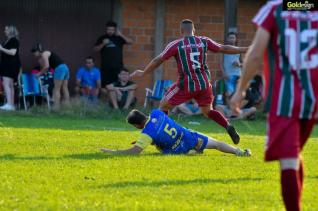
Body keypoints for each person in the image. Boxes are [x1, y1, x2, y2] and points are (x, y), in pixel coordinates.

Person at [230, 1, 318, 210]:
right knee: (294, 153)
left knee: (288, 159)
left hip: (284, 99)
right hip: (313, 96)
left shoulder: (275, 9)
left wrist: (240, 90)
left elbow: (255, 53)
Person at [130, 19, 249, 145]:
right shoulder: (203, 41)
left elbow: (158, 60)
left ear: (181, 31)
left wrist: (143, 72)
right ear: (194, 30)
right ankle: (227, 125)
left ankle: (160, 135)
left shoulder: (176, 44)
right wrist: (246, 49)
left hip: (186, 84)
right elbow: (223, 48)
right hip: (204, 84)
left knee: (163, 105)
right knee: (208, 111)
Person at [101, 109, 251, 156]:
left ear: (136, 125)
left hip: (175, 149)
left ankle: (190, 153)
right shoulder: (156, 113)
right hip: (187, 135)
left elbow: (135, 152)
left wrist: (112, 151)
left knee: (162, 147)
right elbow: (161, 128)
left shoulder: (146, 133)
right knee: (217, 144)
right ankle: (240, 152)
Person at [94, 21, 133, 91]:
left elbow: (130, 42)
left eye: (112, 30)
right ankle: (106, 101)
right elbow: (95, 49)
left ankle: (116, 101)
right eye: (108, 29)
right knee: (105, 86)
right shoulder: (102, 38)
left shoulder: (118, 38)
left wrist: (121, 35)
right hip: (106, 67)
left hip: (118, 67)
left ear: (115, 30)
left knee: (117, 86)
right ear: (106, 29)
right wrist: (103, 44)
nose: (110, 31)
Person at [31, 44, 70, 109]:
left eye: (34, 53)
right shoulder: (48, 53)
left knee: (56, 89)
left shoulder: (44, 54)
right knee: (65, 88)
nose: (34, 55)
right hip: (65, 67)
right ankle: (68, 106)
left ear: (38, 51)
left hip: (59, 69)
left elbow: (46, 67)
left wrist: (39, 74)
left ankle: (56, 107)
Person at [0, 25, 21, 111]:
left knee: (6, 84)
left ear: (11, 30)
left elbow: (13, 52)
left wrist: (1, 48)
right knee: (10, 85)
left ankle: (9, 104)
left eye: (6, 30)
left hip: (10, 64)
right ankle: (11, 105)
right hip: (10, 64)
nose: (4, 31)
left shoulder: (13, 40)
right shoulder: (10, 40)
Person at [220, 32, 242, 101]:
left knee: (237, 94)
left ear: (236, 39)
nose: (232, 39)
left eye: (233, 38)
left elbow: (243, 63)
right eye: (230, 37)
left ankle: (234, 109)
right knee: (229, 93)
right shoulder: (223, 49)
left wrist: (239, 64)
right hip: (228, 75)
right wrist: (224, 73)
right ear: (227, 39)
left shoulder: (239, 49)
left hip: (238, 75)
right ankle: (228, 108)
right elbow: (220, 62)